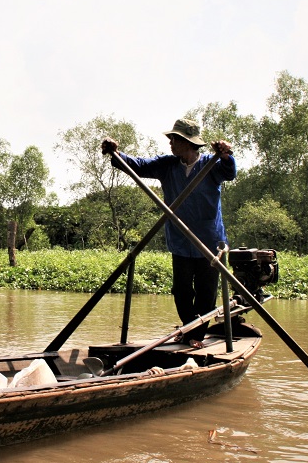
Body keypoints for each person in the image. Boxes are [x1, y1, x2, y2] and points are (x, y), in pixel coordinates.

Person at [101, 118, 236, 343]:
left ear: (187, 142)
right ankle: (190, 331)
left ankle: (197, 334)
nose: (170, 143)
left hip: (209, 243)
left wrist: (225, 154)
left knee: (206, 294)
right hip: (180, 241)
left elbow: (229, 171)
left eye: (174, 139)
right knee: (181, 291)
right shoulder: (168, 165)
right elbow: (139, 166)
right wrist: (116, 154)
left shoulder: (210, 165)